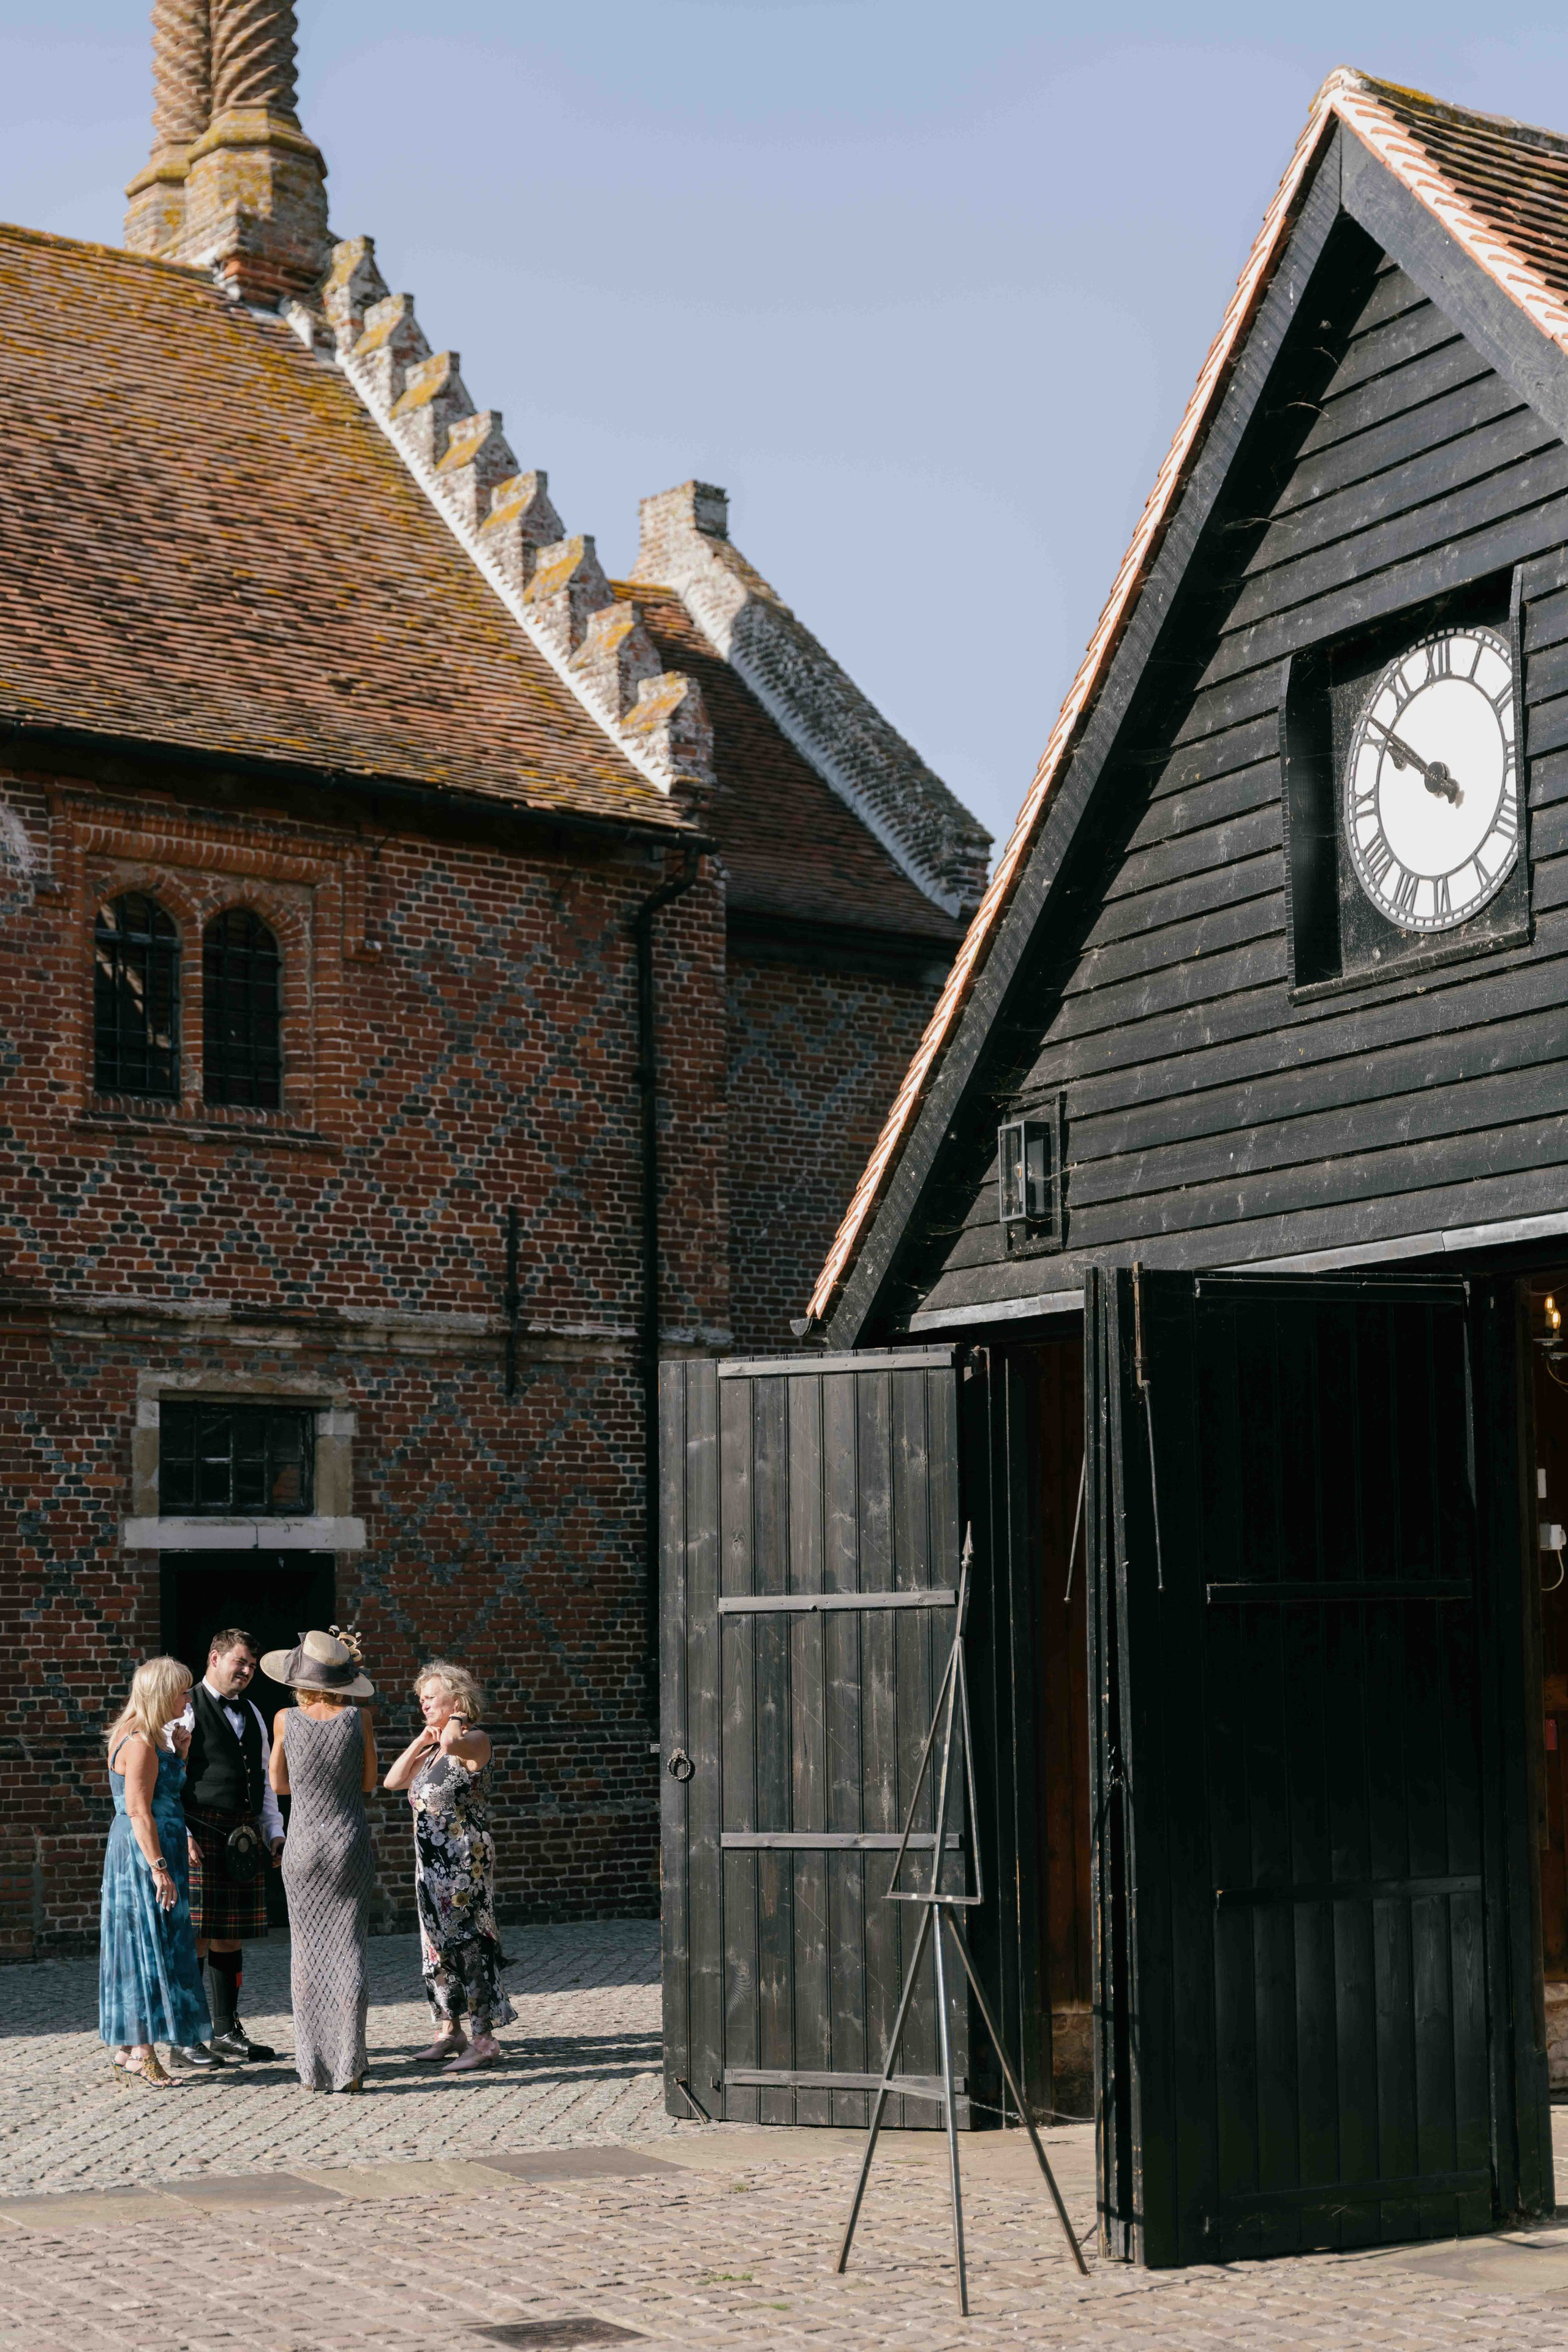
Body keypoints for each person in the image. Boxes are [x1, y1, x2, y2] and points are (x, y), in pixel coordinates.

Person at [383, 1659, 514, 2070]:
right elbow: (392, 1781)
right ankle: (449, 2028)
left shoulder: (473, 1739)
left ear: (456, 1700)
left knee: (469, 1947)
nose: (423, 1705)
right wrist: (422, 1740)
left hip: (464, 1865)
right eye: (420, 1699)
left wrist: (454, 1719)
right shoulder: (434, 1749)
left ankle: (483, 2039)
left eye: (431, 1698)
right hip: (430, 1866)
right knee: (436, 1949)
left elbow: (455, 1745)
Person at [264, 1629, 378, 2095]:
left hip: (304, 1844)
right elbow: (370, 1782)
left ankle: (313, 2070)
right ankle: (350, 2067)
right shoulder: (359, 1720)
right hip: (348, 1840)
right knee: (349, 1948)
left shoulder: (285, 1719)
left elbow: (279, 1784)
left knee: (307, 1956)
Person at [100, 1655, 216, 2086]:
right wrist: (159, 1868)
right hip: (143, 1853)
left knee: (150, 1942)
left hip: (153, 1847)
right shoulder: (140, 1741)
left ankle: (129, 2050)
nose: (188, 1698)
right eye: (183, 1691)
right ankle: (145, 2052)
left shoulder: (152, 1739)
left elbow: (164, 1793)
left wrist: (181, 1754)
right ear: (163, 1695)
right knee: (148, 1945)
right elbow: (137, 1810)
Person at [183, 1627, 285, 2064]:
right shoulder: (185, 1706)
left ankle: (226, 2030)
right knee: (197, 1939)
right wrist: (181, 1833)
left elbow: (264, 1782)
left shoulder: (256, 1714)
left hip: (241, 1838)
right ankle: (186, 2036)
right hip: (200, 1833)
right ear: (214, 1658)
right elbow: (168, 1775)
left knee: (229, 1937)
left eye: (250, 1665)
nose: (245, 1671)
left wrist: (274, 1831)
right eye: (238, 1662)